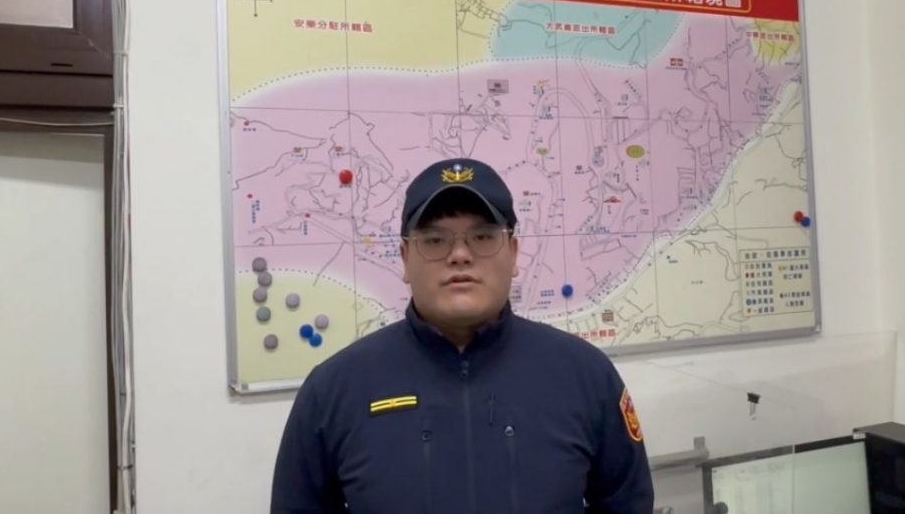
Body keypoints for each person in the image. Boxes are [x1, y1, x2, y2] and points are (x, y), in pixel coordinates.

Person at [271, 158, 654, 514]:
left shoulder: (585, 375)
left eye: (483, 237)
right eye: (435, 240)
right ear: (405, 258)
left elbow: (627, 505)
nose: (459, 255)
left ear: (514, 252)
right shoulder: (334, 389)